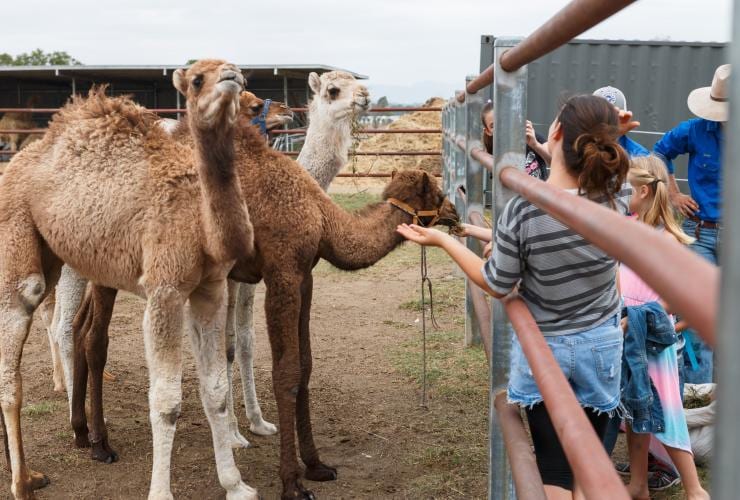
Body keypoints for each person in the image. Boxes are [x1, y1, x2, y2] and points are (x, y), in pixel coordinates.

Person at [399, 94, 630, 499]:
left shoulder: (524, 210)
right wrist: (616, 132)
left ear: (554, 134)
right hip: (600, 346)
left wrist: (443, 241)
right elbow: (617, 172)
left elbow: (496, 283)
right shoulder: (617, 198)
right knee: (587, 467)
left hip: (547, 348)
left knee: (554, 469)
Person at [618, 156, 710, 500]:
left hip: (652, 340)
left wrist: (638, 316)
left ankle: (695, 488)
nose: (620, 192)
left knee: (666, 411)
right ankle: (638, 484)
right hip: (630, 335)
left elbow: (676, 297)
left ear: (642, 191)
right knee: (634, 407)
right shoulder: (627, 226)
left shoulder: (665, 241)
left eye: (625, 187)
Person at [653, 64, 729, 384]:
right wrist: (673, 193)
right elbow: (659, 153)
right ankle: (699, 400)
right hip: (702, 233)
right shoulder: (696, 130)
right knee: (699, 315)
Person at [593, 86, 650, 158]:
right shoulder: (577, 149)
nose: (608, 122)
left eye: (615, 116)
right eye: (601, 116)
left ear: (624, 116)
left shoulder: (639, 155)